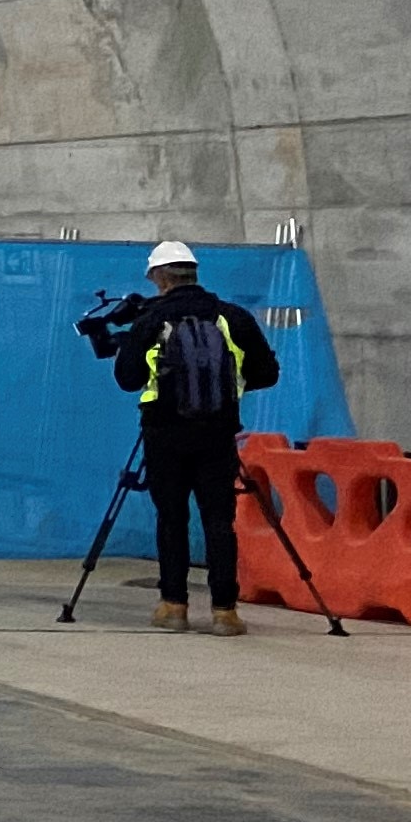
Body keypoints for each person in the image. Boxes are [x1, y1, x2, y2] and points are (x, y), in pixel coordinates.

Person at [94, 238, 279, 634]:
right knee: (218, 520)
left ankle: (173, 606)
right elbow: (268, 372)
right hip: (218, 434)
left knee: (171, 519)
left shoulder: (149, 321)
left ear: (160, 278)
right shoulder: (232, 317)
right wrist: (229, 387)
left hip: (163, 435)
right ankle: (225, 612)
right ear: (194, 274)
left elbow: (127, 380)